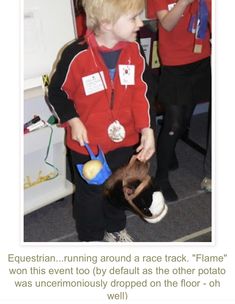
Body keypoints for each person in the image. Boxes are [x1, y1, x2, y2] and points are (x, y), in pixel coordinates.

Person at [48, 0, 155, 242]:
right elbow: (56, 93)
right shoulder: (76, 54)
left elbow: (142, 93)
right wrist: (73, 120)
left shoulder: (134, 51)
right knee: (91, 197)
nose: (141, 23)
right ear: (106, 23)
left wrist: (146, 129)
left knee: (118, 187)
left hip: (124, 140)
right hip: (88, 146)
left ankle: (115, 229)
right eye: (133, 18)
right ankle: (91, 240)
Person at [150, 0, 211, 201]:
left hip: (202, 56)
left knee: (185, 119)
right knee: (174, 123)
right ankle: (161, 178)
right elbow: (167, 24)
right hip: (175, 62)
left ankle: (171, 149)